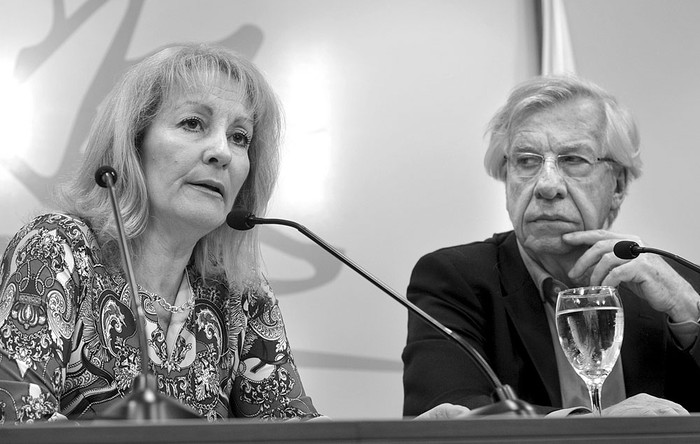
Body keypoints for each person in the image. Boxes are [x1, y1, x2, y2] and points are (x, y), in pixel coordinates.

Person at [0, 43, 468, 424]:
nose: (221, 152)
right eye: (193, 124)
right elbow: (19, 423)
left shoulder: (238, 289)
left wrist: (404, 443)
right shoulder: (58, 250)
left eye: (240, 137)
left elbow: (293, 432)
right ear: (132, 145)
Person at [402, 75, 700, 417]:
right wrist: (599, 428)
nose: (547, 185)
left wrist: (691, 314)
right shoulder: (455, 280)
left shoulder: (672, 290)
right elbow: (444, 416)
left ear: (617, 185)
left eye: (573, 160)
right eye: (526, 161)